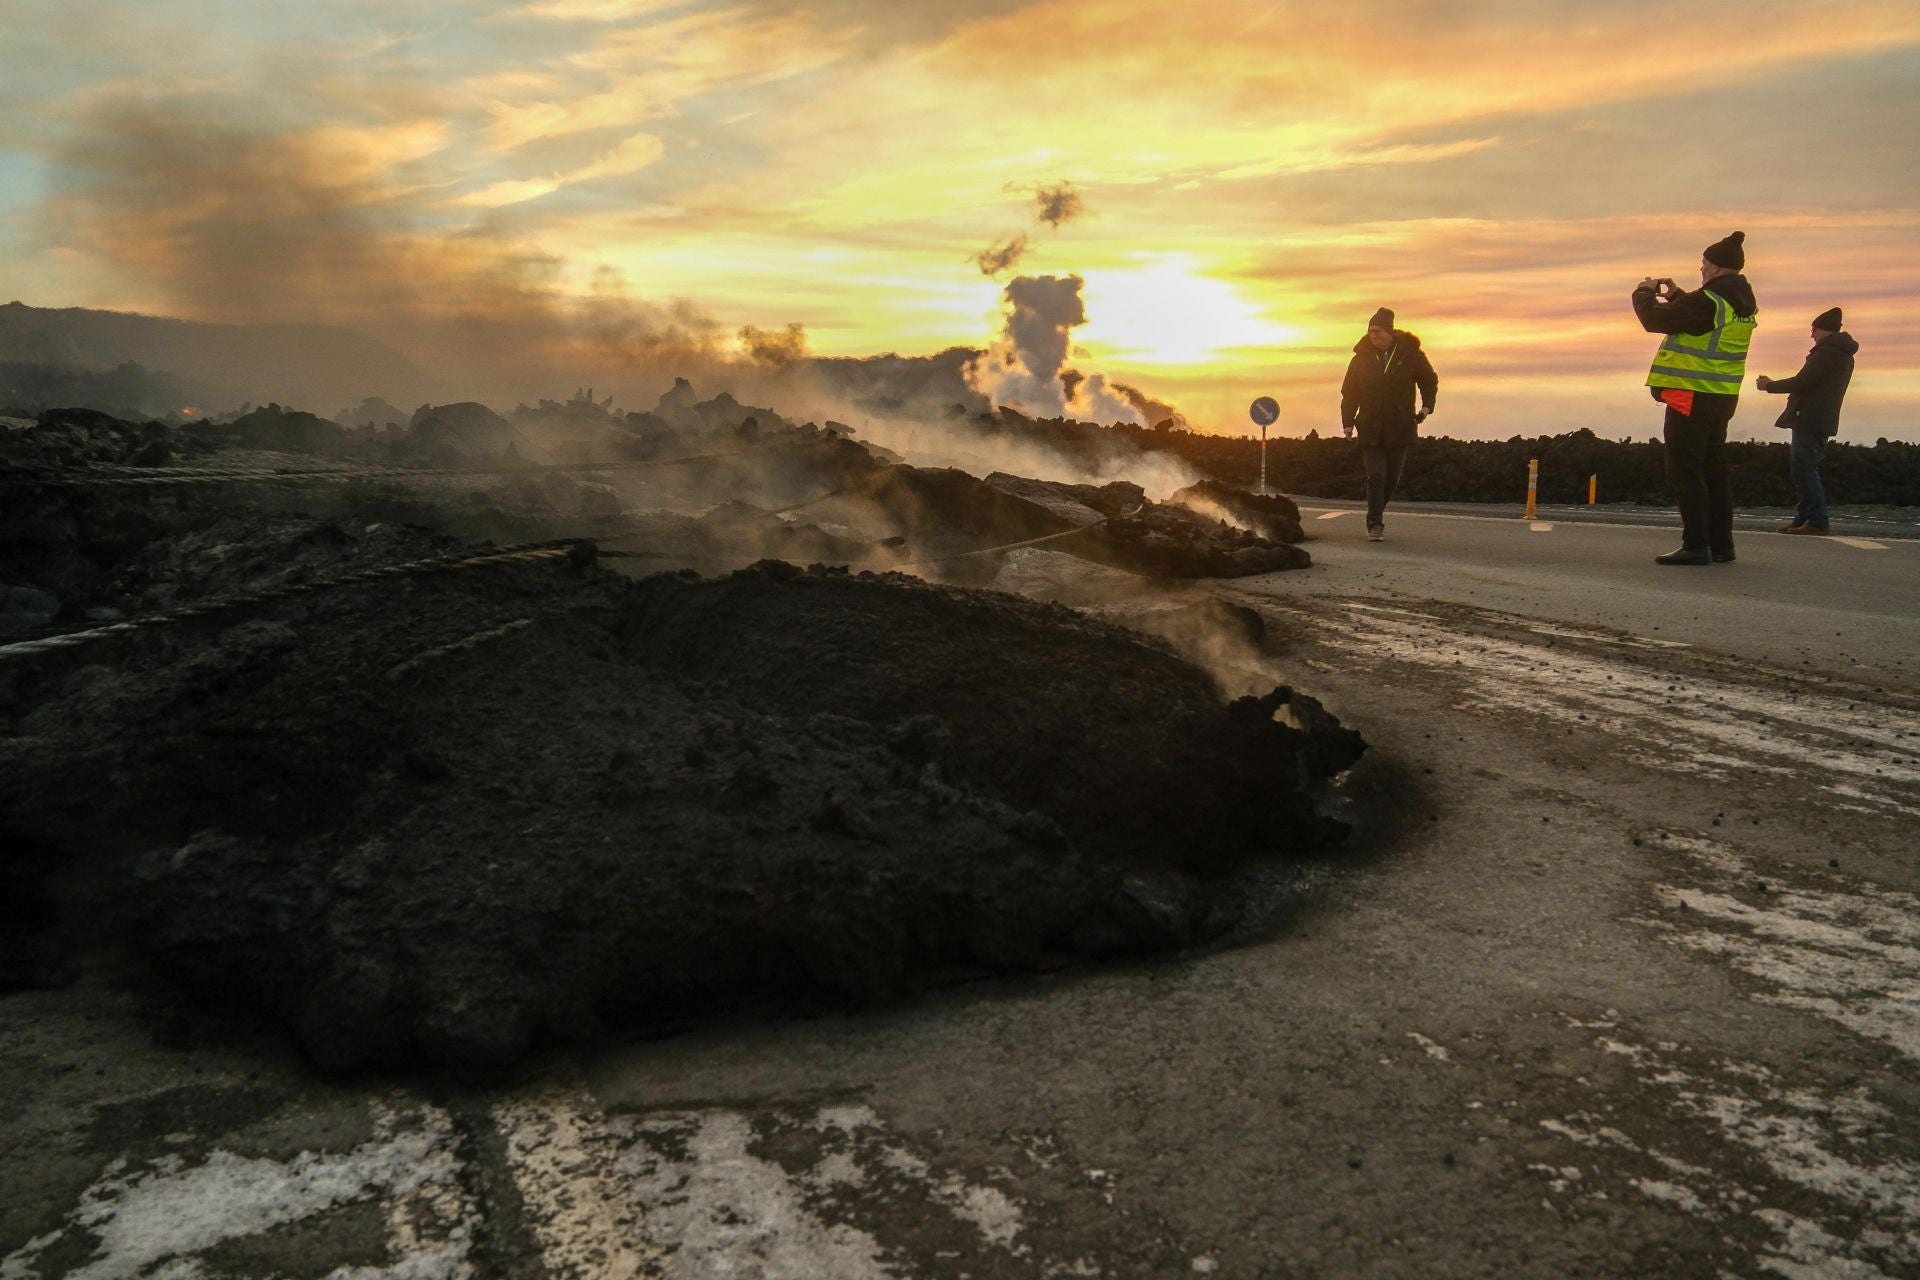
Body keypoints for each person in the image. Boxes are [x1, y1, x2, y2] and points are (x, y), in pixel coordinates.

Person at [1632, 231, 1757, 565]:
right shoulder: (1738, 301)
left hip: (1690, 396)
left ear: (1715, 267)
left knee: (1686, 471)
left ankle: (1695, 545)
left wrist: (1643, 292)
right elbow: (1701, 322)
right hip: (1721, 397)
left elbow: (1652, 319)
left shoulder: (1710, 300)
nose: (1701, 270)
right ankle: (1722, 546)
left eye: (1703, 264)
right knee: (1714, 471)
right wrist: (1676, 296)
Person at [1755, 307, 1857, 535]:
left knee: (1804, 469)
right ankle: (1804, 519)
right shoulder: (1837, 352)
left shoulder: (1828, 353)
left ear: (1825, 330)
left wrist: (1770, 386)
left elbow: (1803, 381)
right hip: (1818, 418)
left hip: (1811, 418)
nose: (1811, 334)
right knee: (1802, 468)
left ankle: (1817, 521)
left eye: (1814, 329)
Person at [1340, 307, 1437, 541]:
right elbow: (1349, 393)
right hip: (1370, 428)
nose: (1373, 335)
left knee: (1392, 479)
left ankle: (1374, 512)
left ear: (1389, 332)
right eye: (1370, 331)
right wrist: (1347, 423)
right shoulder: (1360, 360)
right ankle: (1375, 523)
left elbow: (1428, 380)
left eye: (1377, 331)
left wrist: (1427, 406)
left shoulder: (1410, 355)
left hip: (1400, 426)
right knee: (1376, 476)